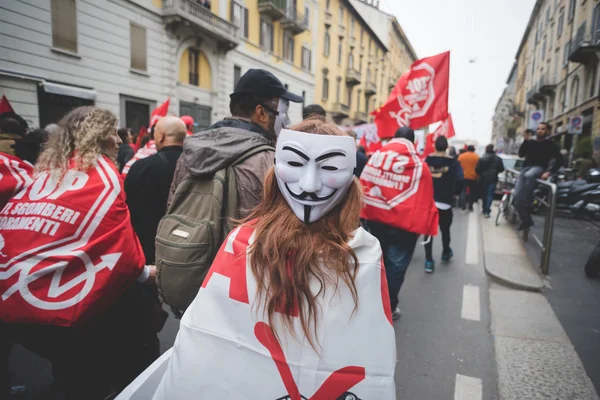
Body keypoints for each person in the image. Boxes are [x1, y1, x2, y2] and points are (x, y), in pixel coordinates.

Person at [124, 119, 396, 399]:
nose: (310, 184)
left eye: (329, 167)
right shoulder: (361, 253)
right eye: (296, 164)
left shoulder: (359, 254)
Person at [0, 106, 152, 400]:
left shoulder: (47, 172)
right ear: (98, 136)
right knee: (88, 378)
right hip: (72, 308)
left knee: (70, 373)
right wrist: (145, 272)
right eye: (111, 132)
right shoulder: (104, 179)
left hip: (18, 299)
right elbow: (119, 241)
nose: (119, 140)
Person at [168, 68, 303, 218]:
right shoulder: (270, 163)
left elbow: (172, 206)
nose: (288, 121)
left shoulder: (190, 152)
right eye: (283, 113)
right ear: (261, 113)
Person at [360, 126, 438, 319]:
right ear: (412, 142)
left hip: (376, 221)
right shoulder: (420, 166)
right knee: (396, 267)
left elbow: (363, 185)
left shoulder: (376, 158)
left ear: (393, 137)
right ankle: (389, 306)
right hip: (404, 227)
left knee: (377, 263)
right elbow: (425, 200)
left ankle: (370, 301)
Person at [424, 136, 464, 273]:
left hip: (428, 202)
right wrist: (455, 193)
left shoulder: (427, 160)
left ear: (435, 146)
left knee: (428, 232)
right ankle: (445, 252)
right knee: (445, 230)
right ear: (447, 147)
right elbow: (460, 179)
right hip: (445, 202)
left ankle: (429, 261)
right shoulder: (453, 163)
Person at [515, 122, 563, 230]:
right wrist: (525, 140)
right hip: (526, 168)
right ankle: (527, 221)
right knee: (516, 199)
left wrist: (548, 172)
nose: (540, 131)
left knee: (529, 175)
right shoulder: (530, 142)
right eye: (538, 129)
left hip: (539, 168)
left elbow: (560, 161)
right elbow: (521, 154)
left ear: (547, 131)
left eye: (542, 129)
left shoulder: (550, 144)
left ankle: (528, 202)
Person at [476, 144, 505, 218]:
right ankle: (486, 210)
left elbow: (477, 169)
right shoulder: (498, 159)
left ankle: (484, 209)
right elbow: (501, 169)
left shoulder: (482, 158)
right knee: (490, 195)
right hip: (493, 179)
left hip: (483, 179)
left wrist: (481, 174)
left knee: (484, 195)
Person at [458, 145, 480, 212]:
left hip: (463, 176)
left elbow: (458, 165)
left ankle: (463, 206)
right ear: (474, 149)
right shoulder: (476, 157)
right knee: (472, 192)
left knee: (463, 191)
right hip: (473, 177)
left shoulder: (461, 156)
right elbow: (478, 167)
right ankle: (470, 206)